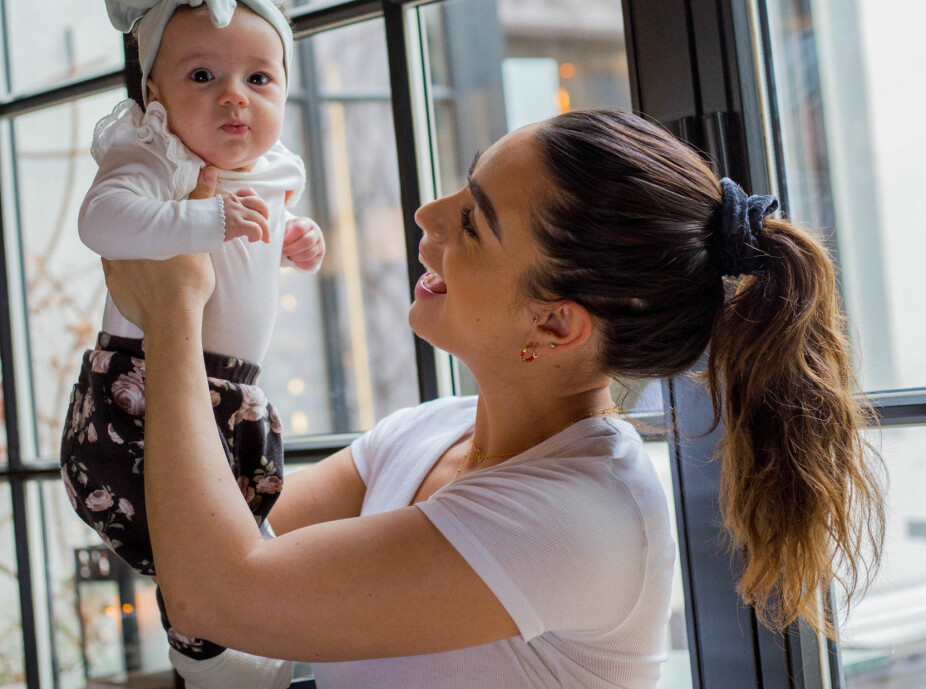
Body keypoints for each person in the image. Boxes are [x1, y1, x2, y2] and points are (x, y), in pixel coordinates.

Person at [100, 108, 885, 689]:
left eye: (472, 222)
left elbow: (213, 594)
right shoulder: (426, 433)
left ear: (553, 323)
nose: (428, 215)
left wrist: (175, 317)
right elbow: (178, 549)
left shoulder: (582, 516)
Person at [59, 1, 324, 687]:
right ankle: (208, 650)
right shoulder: (156, 155)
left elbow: (250, 244)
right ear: (154, 96)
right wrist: (201, 217)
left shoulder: (272, 169)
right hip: (137, 394)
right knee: (195, 554)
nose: (234, 96)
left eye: (259, 79)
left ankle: (221, 653)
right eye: (203, 75)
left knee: (229, 545)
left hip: (231, 395)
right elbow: (101, 221)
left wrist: (290, 242)